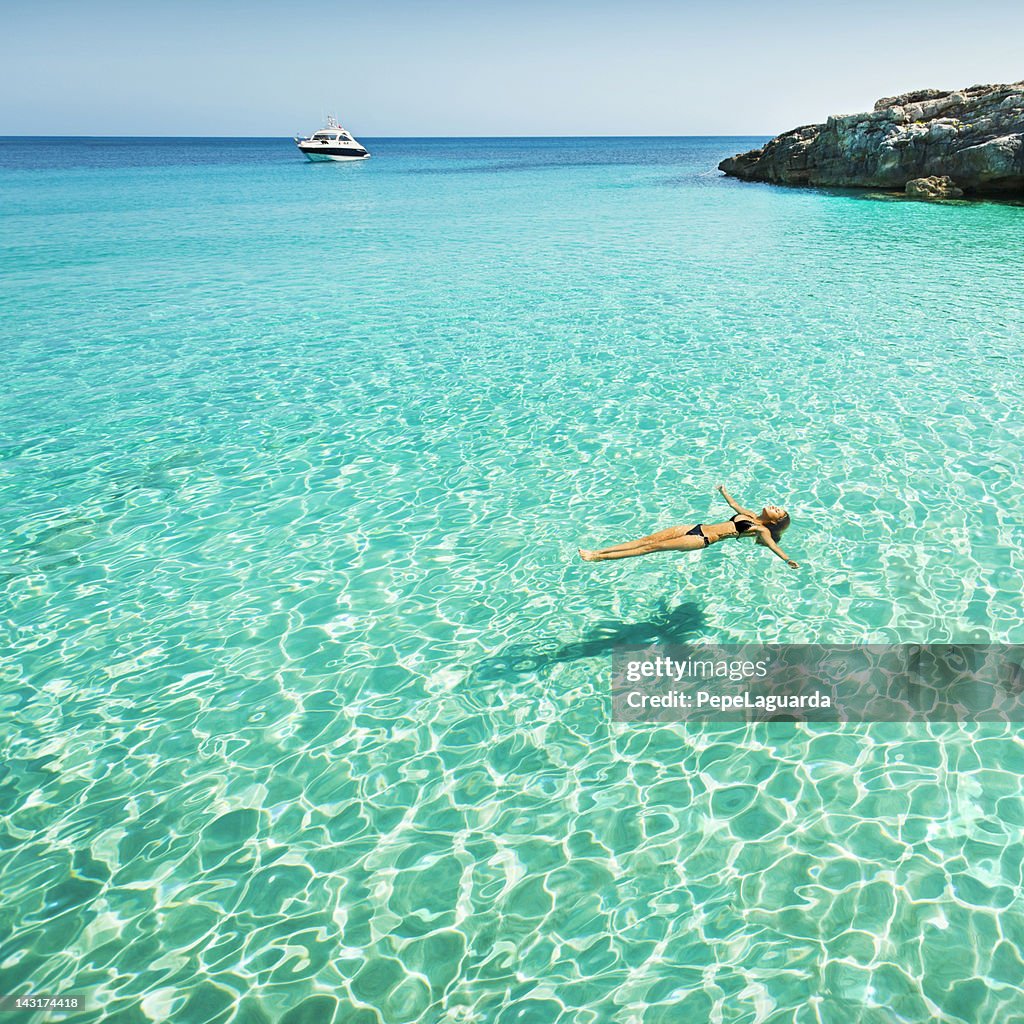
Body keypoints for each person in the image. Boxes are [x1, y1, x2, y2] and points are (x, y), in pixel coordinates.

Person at [578, 484, 799, 569]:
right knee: (646, 540)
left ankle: (598, 557)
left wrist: (787, 559)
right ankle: (599, 550)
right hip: (695, 527)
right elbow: (733, 504)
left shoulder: (761, 530)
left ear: (774, 521)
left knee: (649, 548)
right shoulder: (749, 514)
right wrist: (723, 490)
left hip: (700, 540)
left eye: (778, 511)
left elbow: (772, 546)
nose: (774, 506)